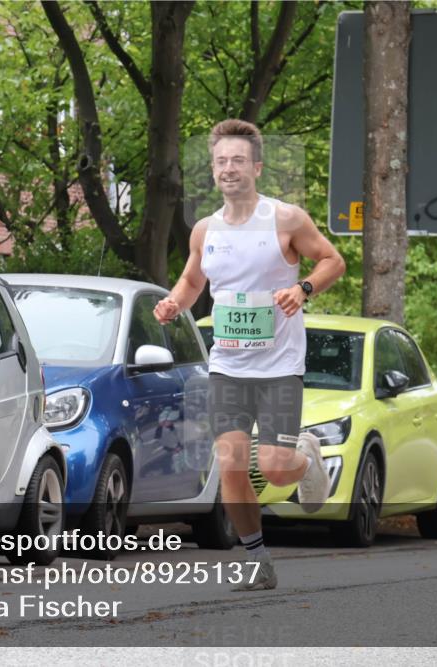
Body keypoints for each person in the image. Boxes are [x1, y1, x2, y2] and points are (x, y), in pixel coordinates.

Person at [154, 119, 346, 590]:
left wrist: (302, 289)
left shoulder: (286, 219)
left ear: (257, 167)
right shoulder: (205, 230)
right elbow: (194, 279)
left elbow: (332, 261)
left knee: (275, 467)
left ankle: (305, 458)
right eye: (220, 161)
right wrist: (175, 300)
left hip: (279, 366)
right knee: (232, 463)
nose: (228, 168)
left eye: (238, 160)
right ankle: (258, 561)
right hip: (228, 365)